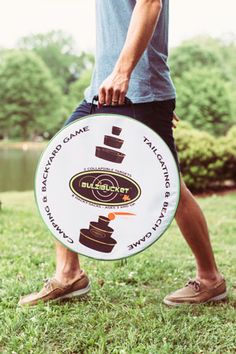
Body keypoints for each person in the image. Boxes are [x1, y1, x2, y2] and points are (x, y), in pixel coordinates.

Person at [19, 0, 227, 306]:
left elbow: (150, 3)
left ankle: (210, 280)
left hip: (133, 89)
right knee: (61, 166)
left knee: (169, 187)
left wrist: (124, 73)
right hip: (103, 91)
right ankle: (68, 274)